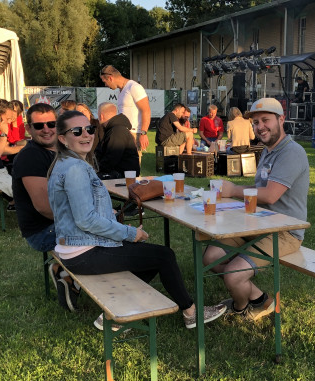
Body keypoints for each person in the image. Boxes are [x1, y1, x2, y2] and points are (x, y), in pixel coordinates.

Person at [47, 110, 227, 330]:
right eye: (77, 131)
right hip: (83, 252)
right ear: (63, 139)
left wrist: (114, 221)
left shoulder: (69, 163)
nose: (86, 135)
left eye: (89, 129)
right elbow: (86, 220)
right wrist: (129, 233)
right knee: (164, 256)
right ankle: (191, 313)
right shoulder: (74, 168)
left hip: (76, 247)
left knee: (147, 254)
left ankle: (117, 311)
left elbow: (81, 211)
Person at [202, 97, 310, 320]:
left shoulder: (292, 152)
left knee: (232, 275)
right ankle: (260, 299)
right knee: (210, 257)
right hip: (260, 222)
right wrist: (234, 189)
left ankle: (240, 308)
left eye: (265, 120)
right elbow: (261, 188)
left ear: (281, 119)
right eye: (256, 122)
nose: (260, 127)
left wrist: (233, 191)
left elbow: (270, 195)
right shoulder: (269, 150)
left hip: (286, 230)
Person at [12, 103, 59, 253]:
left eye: (51, 124)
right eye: (39, 126)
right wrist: (84, 221)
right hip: (44, 232)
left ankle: (63, 272)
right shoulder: (31, 156)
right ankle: (64, 273)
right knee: (119, 244)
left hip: (58, 224)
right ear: (28, 129)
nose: (46, 129)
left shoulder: (60, 150)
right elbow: (45, 207)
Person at [99, 65, 151, 166]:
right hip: (123, 133)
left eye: (105, 81)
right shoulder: (122, 91)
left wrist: (143, 133)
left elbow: (146, 110)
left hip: (134, 134)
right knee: (123, 166)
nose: (105, 85)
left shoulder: (134, 87)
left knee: (133, 167)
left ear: (110, 78)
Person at [95, 101, 139, 177]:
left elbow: (111, 158)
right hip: (121, 173)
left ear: (101, 116)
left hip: (122, 176)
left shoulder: (117, 131)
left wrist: (96, 168)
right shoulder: (116, 129)